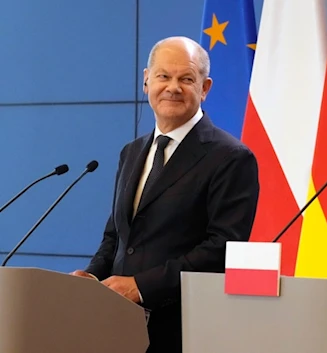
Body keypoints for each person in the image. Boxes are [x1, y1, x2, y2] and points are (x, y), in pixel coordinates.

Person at [71, 36, 260, 352]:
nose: (173, 87)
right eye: (163, 76)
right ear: (146, 81)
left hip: (185, 330)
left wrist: (142, 287)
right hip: (116, 325)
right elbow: (115, 236)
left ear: (205, 88)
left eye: (186, 79)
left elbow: (223, 248)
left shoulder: (231, 157)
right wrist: (92, 278)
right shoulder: (131, 152)